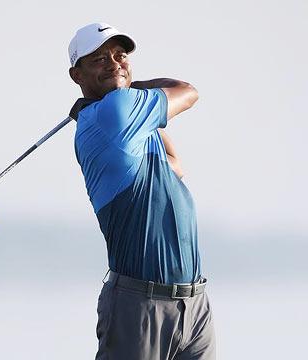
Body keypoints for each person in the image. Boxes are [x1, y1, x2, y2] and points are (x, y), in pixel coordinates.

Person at [68, 22, 215, 360]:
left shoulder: (127, 123)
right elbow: (186, 90)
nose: (114, 63)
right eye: (99, 59)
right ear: (77, 76)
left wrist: (126, 88)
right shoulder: (114, 114)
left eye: (120, 56)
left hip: (193, 305)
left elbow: (175, 164)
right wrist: (130, 88)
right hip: (140, 307)